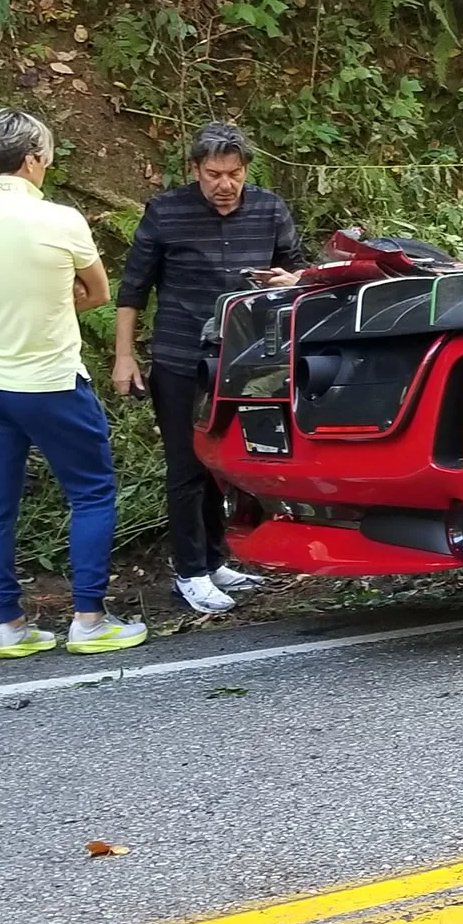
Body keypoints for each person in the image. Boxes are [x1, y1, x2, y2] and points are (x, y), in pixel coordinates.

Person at [0, 109, 147, 658]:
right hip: (51, 380)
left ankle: (10, 627)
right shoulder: (60, 220)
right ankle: (89, 619)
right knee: (92, 492)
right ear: (32, 159)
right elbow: (98, 293)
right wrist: (53, 300)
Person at [114, 123, 306, 614]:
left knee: (225, 462)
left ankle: (216, 559)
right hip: (180, 357)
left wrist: (292, 278)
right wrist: (124, 355)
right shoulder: (166, 211)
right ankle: (189, 572)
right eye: (213, 174)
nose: (225, 185)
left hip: (244, 358)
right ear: (195, 170)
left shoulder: (269, 209)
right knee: (185, 464)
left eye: (234, 174)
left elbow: (299, 270)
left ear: (247, 171)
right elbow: (133, 289)